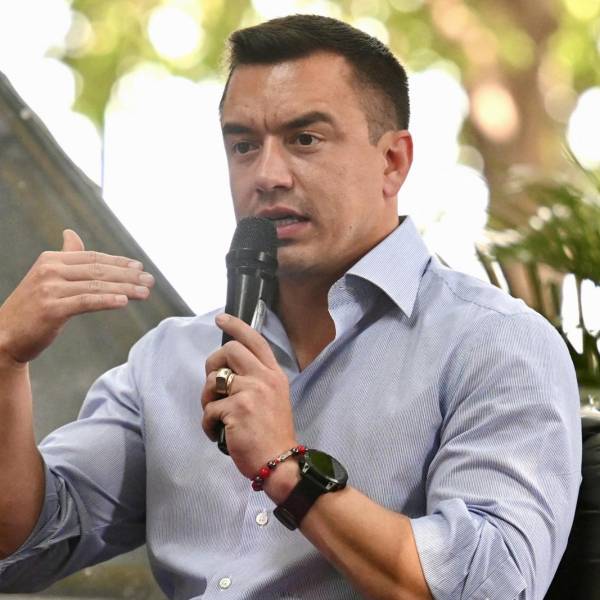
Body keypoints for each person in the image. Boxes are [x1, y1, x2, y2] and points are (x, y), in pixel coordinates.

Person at [0, 14, 581, 600]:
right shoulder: (169, 359)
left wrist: (285, 466)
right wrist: (5, 362)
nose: (267, 175)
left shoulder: (492, 343)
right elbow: (23, 548)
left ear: (393, 162)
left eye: (305, 139)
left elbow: (494, 585)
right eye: (243, 145)